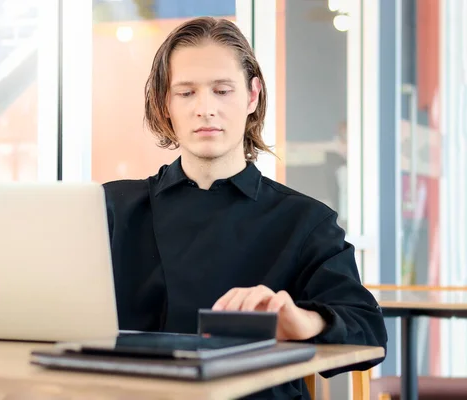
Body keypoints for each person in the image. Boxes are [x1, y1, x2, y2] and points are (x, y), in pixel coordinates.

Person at [103, 17, 387, 399]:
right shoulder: (110, 208)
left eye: (222, 90)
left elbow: (367, 327)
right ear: (165, 103)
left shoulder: (304, 221)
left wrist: (302, 321)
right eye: (186, 93)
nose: (205, 109)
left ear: (252, 96)